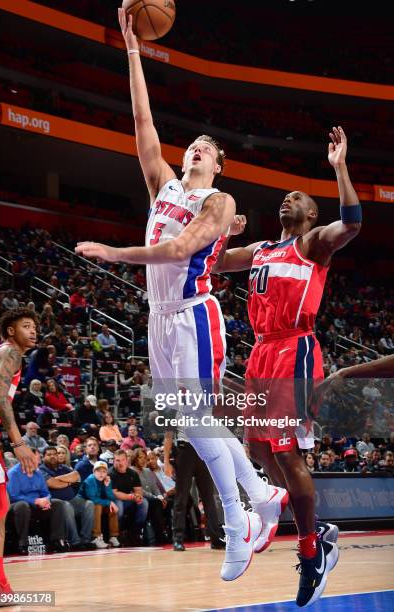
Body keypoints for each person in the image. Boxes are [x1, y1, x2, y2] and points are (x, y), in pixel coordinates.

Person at [75, 6, 287, 582]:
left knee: (197, 418)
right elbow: (143, 122)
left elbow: (176, 252)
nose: (195, 147)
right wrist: (132, 51)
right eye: (191, 143)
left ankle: (241, 522)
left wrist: (115, 254)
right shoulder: (163, 187)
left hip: (196, 316)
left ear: (219, 164)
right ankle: (262, 495)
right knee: (189, 422)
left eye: (205, 146)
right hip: (158, 320)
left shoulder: (217, 204)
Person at [214, 126, 361, 605]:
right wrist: (218, 232)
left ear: (311, 213)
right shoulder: (262, 249)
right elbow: (213, 265)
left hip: (292, 348)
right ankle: (316, 529)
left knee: (285, 452)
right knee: (257, 449)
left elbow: (353, 223)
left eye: (295, 197)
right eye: (282, 197)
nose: (286, 200)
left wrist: (339, 168)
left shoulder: (313, 242)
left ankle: (310, 549)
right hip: (260, 350)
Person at [0, 308, 39, 599]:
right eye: (26, 325)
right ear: (10, 331)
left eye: (35, 327)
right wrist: (18, 443)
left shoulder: (4, 353)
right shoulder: (11, 352)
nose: (33, 331)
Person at [7, 449, 67, 554]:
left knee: (58, 504)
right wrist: (35, 501)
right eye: (35, 459)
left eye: (38, 459)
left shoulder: (38, 472)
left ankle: (56, 541)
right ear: (26, 459)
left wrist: (46, 500)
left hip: (37, 506)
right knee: (22, 506)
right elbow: (14, 496)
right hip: (18, 506)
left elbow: (46, 492)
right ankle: (22, 544)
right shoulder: (13, 473)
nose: (38, 462)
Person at [39, 446, 95, 551]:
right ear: (43, 457)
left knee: (89, 504)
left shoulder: (63, 467)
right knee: (67, 506)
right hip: (55, 503)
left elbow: (76, 476)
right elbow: (51, 483)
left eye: (54, 454)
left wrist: (59, 480)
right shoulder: (41, 470)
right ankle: (75, 542)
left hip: (72, 499)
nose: (52, 456)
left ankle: (86, 540)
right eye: (49, 455)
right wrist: (68, 481)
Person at [109, 449, 148, 545]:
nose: (120, 463)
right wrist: (131, 497)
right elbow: (115, 493)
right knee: (119, 506)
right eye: (117, 460)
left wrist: (138, 497)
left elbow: (138, 490)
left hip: (128, 499)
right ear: (114, 461)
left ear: (127, 460)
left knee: (144, 503)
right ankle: (119, 533)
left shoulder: (133, 473)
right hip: (113, 500)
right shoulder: (111, 474)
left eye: (122, 460)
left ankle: (136, 531)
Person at [78, 461, 119, 549]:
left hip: (99, 502)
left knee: (112, 507)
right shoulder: (90, 480)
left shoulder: (107, 480)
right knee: (97, 506)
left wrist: (107, 486)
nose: (101, 474)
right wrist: (109, 502)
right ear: (93, 471)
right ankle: (96, 537)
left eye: (104, 471)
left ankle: (113, 537)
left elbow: (111, 498)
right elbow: (92, 499)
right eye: (98, 471)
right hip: (85, 503)